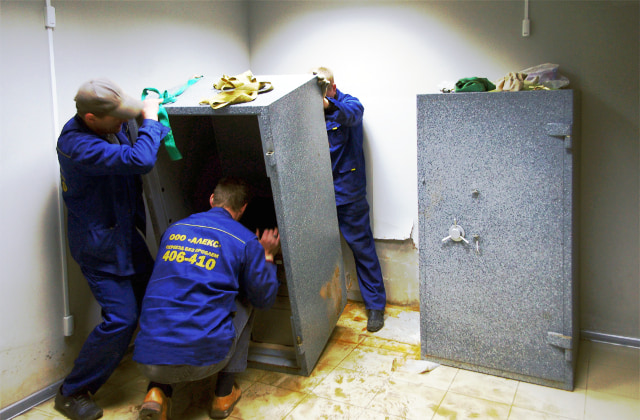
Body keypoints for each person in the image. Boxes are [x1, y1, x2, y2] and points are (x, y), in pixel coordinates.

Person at [55, 78, 168, 420]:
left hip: (125, 235)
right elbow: (140, 159)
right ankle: (72, 392)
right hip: (99, 247)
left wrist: (153, 114)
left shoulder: (109, 125)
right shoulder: (76, 145)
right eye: (117, 119)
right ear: (91, 118)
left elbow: (141, 142)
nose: (123, 123)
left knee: (157, 297)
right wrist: (150, 120)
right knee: (122, 319)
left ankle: (164, 373)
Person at [132, 177, 281, 420]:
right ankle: (223, 394)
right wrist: (267, 256)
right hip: (204, 361)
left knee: (172, 292)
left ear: (212, 199)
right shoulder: (245, 240)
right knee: (248, 296)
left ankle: (156, 392)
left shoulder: (174, 230)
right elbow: (264, 298)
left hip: (146, 360)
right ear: (243, 208)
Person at [312, 67, 387, 332]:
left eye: (323, 94)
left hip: (348, 195)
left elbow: (353, 114)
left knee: (363, 251)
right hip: (318, 195)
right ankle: (317, 313)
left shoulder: (349, 104)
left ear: (332, 88)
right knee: (315, 253)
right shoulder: (308, 111)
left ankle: (376, 307)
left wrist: (327, 105)